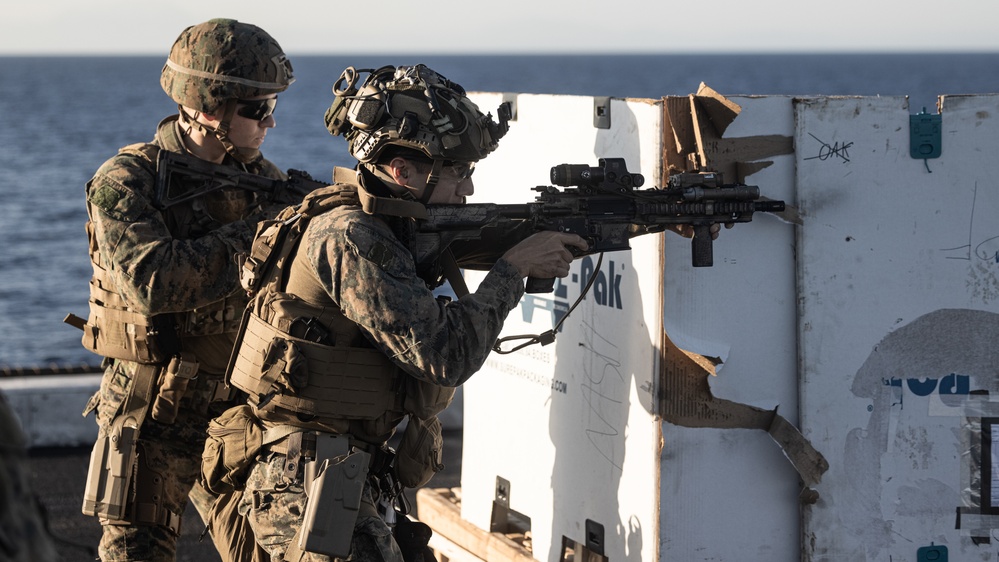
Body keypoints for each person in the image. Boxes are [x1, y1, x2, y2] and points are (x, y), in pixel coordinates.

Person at [199, 63, 586, 562]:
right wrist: (513, 271)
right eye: (459, 174)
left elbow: (464, 241)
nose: (468, 190)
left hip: (336, 464)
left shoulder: (375, 220)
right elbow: (444, 356)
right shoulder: (351, 238)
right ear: (403, 172)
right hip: (306, 480)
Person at [74, 18, 305, 561]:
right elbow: (153, 282)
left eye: (271, 107)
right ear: (207, 107)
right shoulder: (127, 180)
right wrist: (263, 233)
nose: (269, 121)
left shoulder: (263, 181)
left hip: (236, 412)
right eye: (255, 109)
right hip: (153, 412)